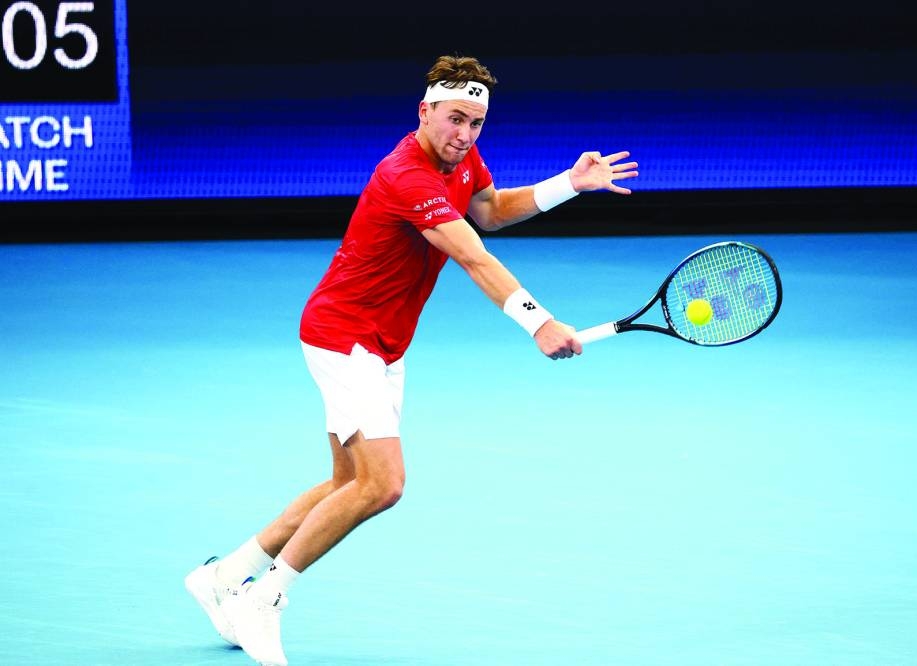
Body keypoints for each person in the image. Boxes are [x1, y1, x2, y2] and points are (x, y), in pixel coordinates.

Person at [184, 54, 638, 666]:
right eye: (455, 120)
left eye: (476, 123)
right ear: (424, 112)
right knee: (384, 484)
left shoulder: (460, 157)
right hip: (345, 337)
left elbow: (490, 211)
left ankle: (226, 574)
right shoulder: (406, 176)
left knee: (348, 483)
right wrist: (539, 321)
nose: (465, 135)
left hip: (380, 340)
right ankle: (263, 599)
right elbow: (473, 255)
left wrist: (567, 185)